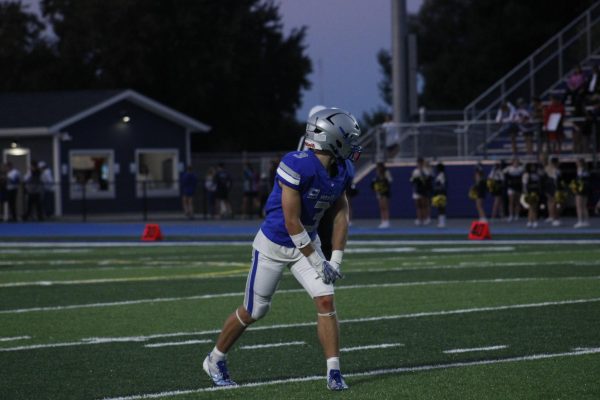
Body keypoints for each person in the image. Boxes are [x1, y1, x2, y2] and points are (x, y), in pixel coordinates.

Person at [202, 107, 361, 391]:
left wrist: (335, 259)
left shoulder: (343, 169)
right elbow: (290, 221)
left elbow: (341, 214)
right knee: (255, 310)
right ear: (332, 139)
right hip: (274, 244)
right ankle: (214, 358)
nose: (352, 143)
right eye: (348, 137)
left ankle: (334, 371)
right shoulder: (297, 163)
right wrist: (316, 260)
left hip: (308, 243)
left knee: (325, 299)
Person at [371, 162, 392, 228]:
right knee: (381, 207)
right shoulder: (378, 174)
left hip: (385, 192)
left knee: (385, 207)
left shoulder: (386, 173)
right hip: (379, 192)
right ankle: (383, 221)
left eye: (379, 167)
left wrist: (383, 179)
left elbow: (389, 181)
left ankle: (387, 221)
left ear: (381, 167)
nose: (378, 169)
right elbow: (375, 182)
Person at [572, 158, 591, 228]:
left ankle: (580, 221)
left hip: (581, 190)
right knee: (584, 206)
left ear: (580, 163)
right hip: (585, 190)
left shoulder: (580, 170)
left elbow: (580, 181)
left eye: (577, 162)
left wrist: (575, 187)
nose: (576, 163)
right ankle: (586, 221)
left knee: (579, 206)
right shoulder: (586, 170)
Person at [410, 157, 430, 226]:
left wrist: (422, 173)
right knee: (418, 206)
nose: (419, 164)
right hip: (417, 190)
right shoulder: (415, 171)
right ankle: (419, 219)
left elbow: (427, 179)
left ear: (422, 163)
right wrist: (414, 179)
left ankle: (425, 218)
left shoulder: (426, 170)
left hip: (423, 190)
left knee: (424, 205)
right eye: (418, 163)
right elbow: (412, 180)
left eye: (420, 163)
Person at [522, 162, 542, 228]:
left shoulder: (537, 174)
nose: (533, 168)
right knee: (532, 207)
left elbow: (539, 183)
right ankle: (532, 221)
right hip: (530, 192)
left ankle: (531, 221)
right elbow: (524, 185)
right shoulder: (526, 174)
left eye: (534, 166)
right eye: (531, 167)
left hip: (536, 192)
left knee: (534, 207)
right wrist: (526, 193)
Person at [432, 162, 447, 228]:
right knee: (439, 208)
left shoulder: (442, 175)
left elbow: (442, 185)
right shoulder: (439, 175)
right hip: (439, 193)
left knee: (441, 208)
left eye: (437, 168)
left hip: (441, 193)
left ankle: (442, 222)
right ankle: (441, 222)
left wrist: (437, 190)